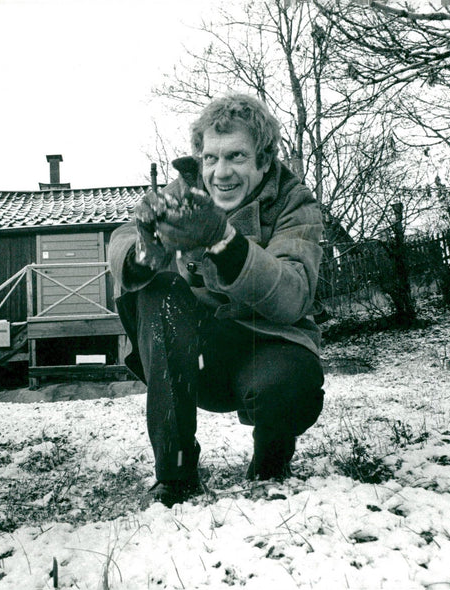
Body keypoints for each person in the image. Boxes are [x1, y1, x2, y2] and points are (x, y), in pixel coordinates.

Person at [107, 93, 325, 508]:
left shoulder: (297, 203)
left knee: (287, 386)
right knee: (159, 292)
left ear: (264, 160)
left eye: (236, 157)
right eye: (210, 159)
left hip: (270, 345)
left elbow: (293, 295)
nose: (220, 173)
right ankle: (175, 473)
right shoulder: (185, 189)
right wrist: (143, 252)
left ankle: (272, 459)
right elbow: (120, 238)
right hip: (197, 356)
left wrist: (225, 241)